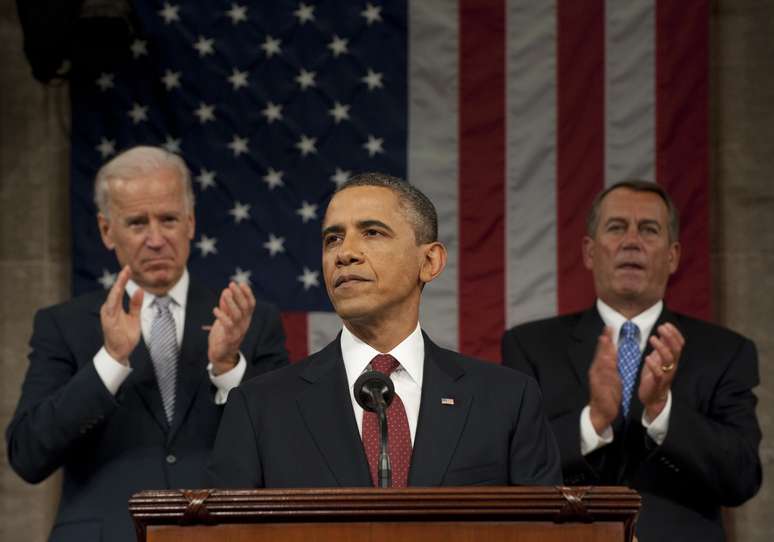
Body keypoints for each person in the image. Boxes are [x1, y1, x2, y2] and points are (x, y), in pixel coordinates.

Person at [6, 146, 288, 542]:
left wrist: (228, 367)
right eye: (137, 223)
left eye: (169, 220)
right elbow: (27, 456)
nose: (156, 239)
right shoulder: (63, 325)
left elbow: (287, 452)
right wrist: (110, 361)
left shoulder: (251, 321)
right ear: (107, 230)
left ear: (190, 223)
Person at [209, 172, 561, 488]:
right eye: (333, 238)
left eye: (372, 232)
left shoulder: (507, 401)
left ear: (429, 261)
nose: (344, 254)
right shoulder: (259, 409)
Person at [501, 180, 761, 541]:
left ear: (673, 256)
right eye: (617, 227)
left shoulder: (725, 352)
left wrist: (661, 412)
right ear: (590, 252)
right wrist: (592, 422)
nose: (631, 241)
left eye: (649, 230)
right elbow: (513, 468)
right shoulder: (529, 346)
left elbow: (742, 478)